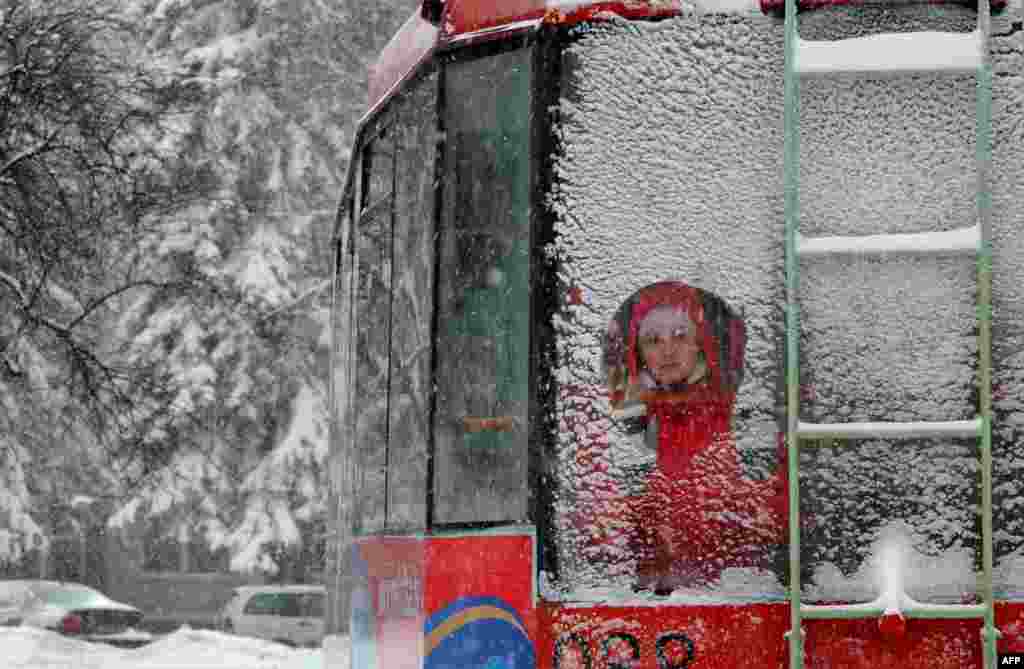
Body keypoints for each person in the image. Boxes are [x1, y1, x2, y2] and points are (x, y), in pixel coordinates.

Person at [604, 281, 787, 593]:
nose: (667, 350)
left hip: (741, 597)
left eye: (680, 336)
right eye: (652, 340)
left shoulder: (748, 423)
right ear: (638, 354)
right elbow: (602, 531)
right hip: (649, 601)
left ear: (702, 343)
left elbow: (777, 518)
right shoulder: (624, 430)